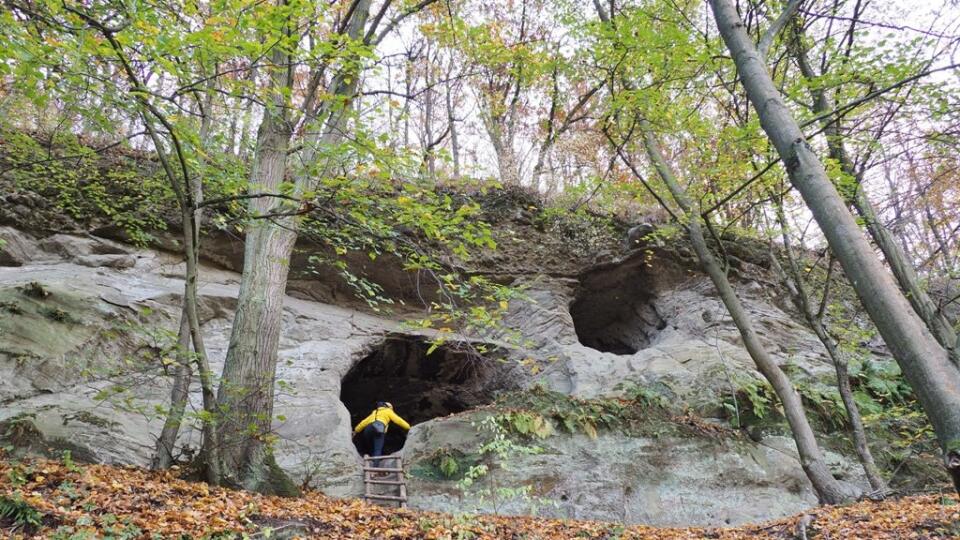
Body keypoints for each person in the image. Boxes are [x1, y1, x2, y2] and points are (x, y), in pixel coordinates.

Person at [353, 401, 411, 467]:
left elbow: (364, 422)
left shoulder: (375, 412)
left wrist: (356, 431)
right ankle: (375, 467)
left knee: (369, 444)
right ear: (388, 407)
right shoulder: (388, 411)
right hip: (379, 429)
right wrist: (408, 427)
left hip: (368, 429)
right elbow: (398, 420)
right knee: (378, 449)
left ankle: (368, 455)